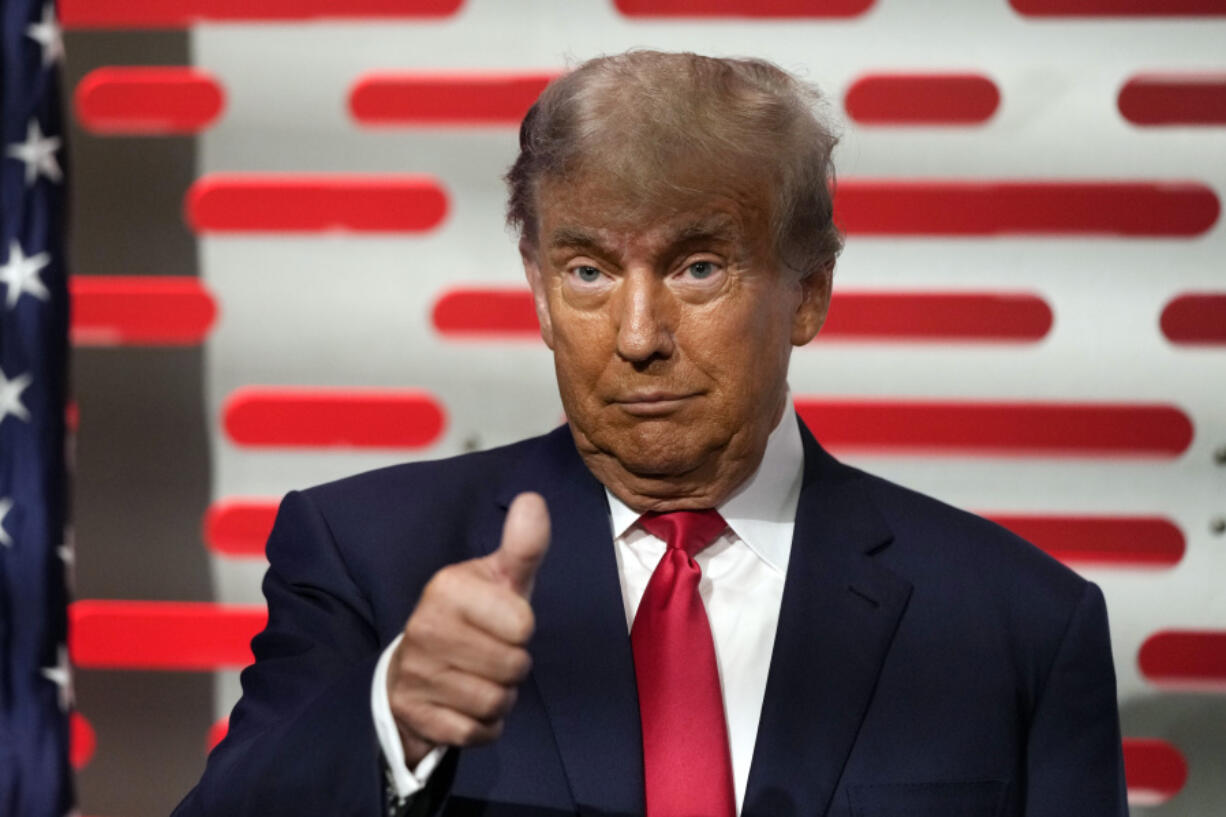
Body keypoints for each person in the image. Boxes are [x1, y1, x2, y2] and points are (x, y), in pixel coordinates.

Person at [173, 51, 1128, 817]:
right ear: (539, 292)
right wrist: (395, 715)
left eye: (699, 266)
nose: (636, 336)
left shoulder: (1021, 625)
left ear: (811, 292)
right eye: (586, 271)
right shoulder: (370, 560)